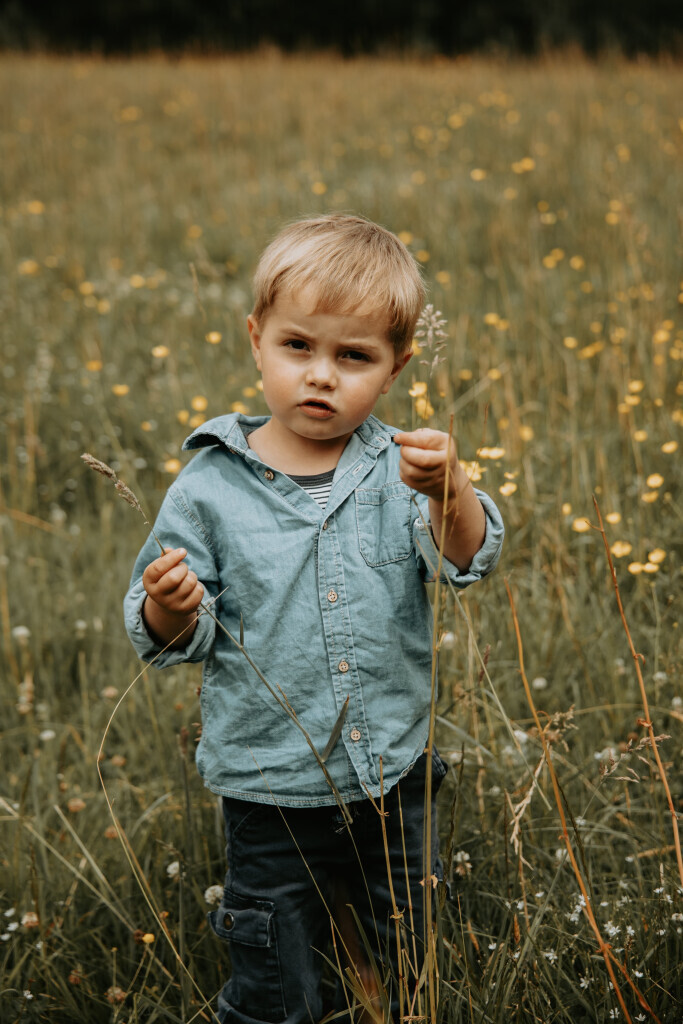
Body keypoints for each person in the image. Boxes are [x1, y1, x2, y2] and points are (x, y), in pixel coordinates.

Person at [124, 213, 504, 1023]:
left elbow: (466, 561)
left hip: (392, 772)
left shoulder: (403, 466)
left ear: (394, 369)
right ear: (256, 338)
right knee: (271, 954)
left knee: (409, 941)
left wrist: (452, 495)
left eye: (353, 356)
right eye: (299, 346)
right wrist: (169, 603)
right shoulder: (207, 489)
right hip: (267, 783)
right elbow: (168, 638)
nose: (321, 376)